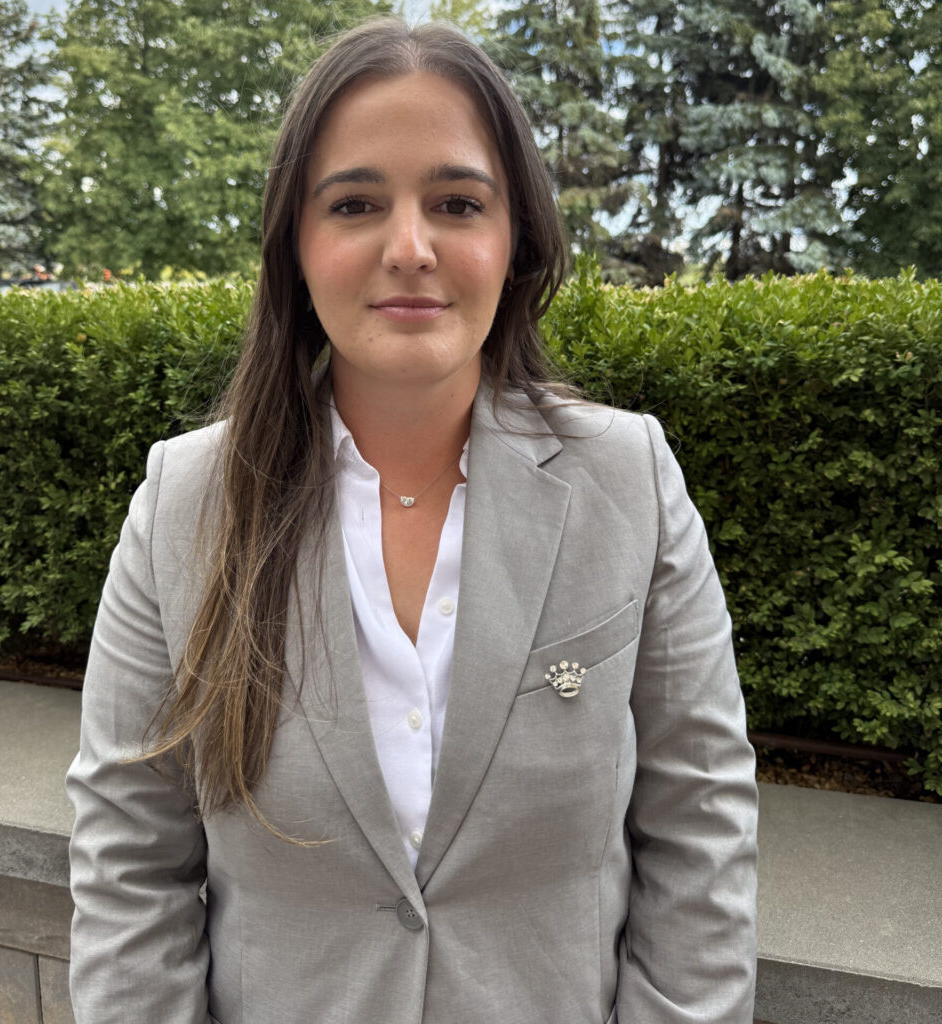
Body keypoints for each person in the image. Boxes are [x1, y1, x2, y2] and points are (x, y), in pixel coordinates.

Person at [67, 18, 758, 1024]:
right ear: (294, 245)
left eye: (456, 203)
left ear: (515, 238)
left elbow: (701, 821)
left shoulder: (628, 484)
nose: (409, 248)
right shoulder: (185, 504)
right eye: (354, 204)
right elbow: (128, 859)